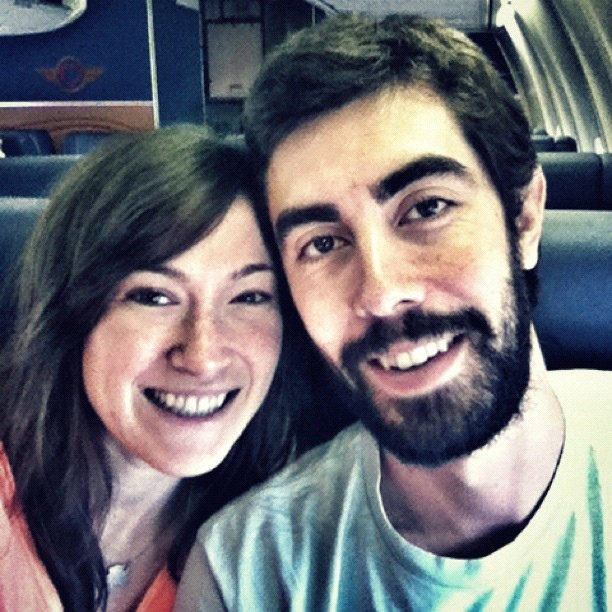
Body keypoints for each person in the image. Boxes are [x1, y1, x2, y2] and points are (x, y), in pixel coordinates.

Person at [176, 14, 611, 611]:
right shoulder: (246, 574)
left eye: (426, 208)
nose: (381, 292)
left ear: (524, 217)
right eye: (322, 244)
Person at [0, 125, 306, 611]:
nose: (203, 356)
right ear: (69, 312)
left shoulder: (284, 549)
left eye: (249, 297)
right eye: (153, 296)